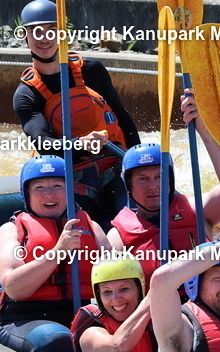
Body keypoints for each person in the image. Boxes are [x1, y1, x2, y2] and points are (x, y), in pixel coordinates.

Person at [13, 0, 141, 229]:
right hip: (71, 175)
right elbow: (43, 144)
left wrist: (137, 165)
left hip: (113, 163)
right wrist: (79, 143)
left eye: (52, 31)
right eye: (36, 32)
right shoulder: (26, 94)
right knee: (84, 229)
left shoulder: (92, 70)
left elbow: (123, 118)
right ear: (25, 36)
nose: (44, 39)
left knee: (132, 218)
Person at [107, 91, 220, 286]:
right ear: (129, 185)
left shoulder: (196, 210)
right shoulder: (117, 236)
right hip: (158, 311)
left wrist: (205, 132)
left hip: (204, 310)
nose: (153, 186)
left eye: (159, 176)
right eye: (142, 179)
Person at [0, 155, 110, 352]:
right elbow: (14, 288)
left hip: (83, 315)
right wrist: (57, 251)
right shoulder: (12, 230)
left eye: (57, 185)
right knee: (55, 341)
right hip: (27, 320)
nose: (49, 193)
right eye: (39, 187)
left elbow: (115, 279)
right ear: (26, 194)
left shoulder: (92, 227)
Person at [70, 252, 161, 352]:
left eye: (124, 289)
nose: (116, 299)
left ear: (139, 289)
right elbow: (118, 346)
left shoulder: (155, 321)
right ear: (98, 295)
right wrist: (155, 294)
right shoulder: (90, 332)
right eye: (107, 292)